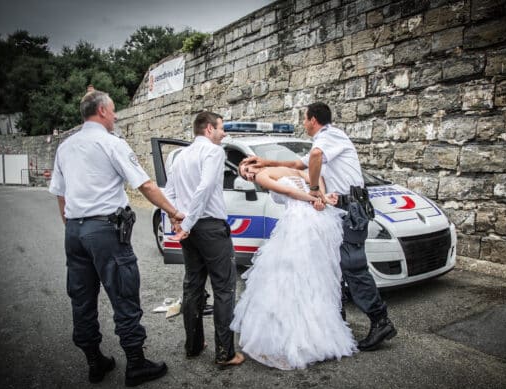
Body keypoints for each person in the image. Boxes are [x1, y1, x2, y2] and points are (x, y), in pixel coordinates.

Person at [49, 90, 184, 386]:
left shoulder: (66, 147)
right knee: (124, 293)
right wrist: (174, 212)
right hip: (105, 232)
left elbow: (60, 193)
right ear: (101, 112)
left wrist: (73, 227)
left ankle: (95, 361)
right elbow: (145, 185)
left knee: (82, 298)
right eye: (113, 111)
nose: (116, 116)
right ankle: (136, 363)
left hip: (74, 230)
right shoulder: (112, 144)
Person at [244, 102, 397, 351]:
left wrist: (314, 189)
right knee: (332, 264)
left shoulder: (331, 136)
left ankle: (380, 320)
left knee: (351, 264)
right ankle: (337, 320)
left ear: (313, 120)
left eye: (304, 119)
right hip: (340, 207)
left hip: (351, 208)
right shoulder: (323, 142)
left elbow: (314, 159)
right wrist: (264, 161)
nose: (303, 124)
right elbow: (298, 165)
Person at [230, 161, 357, 370]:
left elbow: (289, 191)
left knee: (289, 276)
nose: (248, 176)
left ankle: (297, 336)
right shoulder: (289, 170)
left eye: (247, 170)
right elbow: (315, 179)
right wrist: (321, 198)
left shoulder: (264, 176)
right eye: (244, 176)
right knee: (312, 275)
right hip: (318, 219)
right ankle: (316, 335)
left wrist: (317, 199)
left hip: (299, 221)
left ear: (253, 163)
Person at [165, 111, 244, 368]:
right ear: (209, 129)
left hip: (190, 231)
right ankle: (225, 353)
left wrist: (177, 220)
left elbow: (170, 193)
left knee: (193, 285)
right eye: (221, 128)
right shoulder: (213, 152)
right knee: (224, 288)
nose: (224, 133)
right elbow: (205, 188)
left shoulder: (180, 156)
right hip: (209, 227)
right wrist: (185, 223)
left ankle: (194, 346)